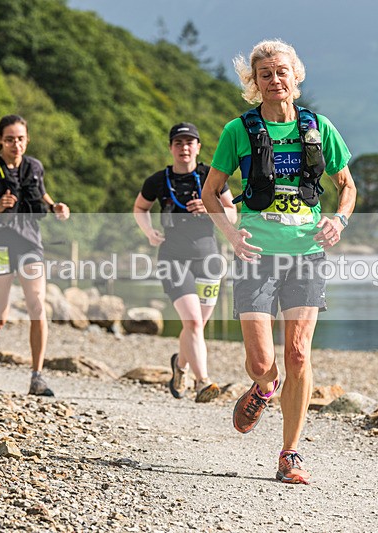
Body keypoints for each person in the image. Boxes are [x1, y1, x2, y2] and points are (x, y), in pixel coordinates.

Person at [202, 40, 357, 484]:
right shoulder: (238, 131)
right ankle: (264, 386)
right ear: (254, 82)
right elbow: (211, 192)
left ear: (296, 76)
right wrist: (232, 234)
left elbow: (347, 186)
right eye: (265, 74)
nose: (274, 80)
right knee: (259, 361)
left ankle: (290, 453)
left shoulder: (319, 128)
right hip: (256, 255)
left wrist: (339, 220)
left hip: (306, 254)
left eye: (281, 72)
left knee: (298, 354)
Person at [0, 114, 70, 396]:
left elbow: (41, 193)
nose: (16, 145)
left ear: (27, 139)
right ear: (0, 140)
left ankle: (37, 377)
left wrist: (55, 206)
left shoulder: (35, 167)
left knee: (37, 306)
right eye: (9, 139)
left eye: (20, 139)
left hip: (30, 244)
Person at [133, 122, 237, 403]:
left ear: (198, 147)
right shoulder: (157, 180)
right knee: (192, 321)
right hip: (173, 260)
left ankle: (179, 365)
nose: (184, 148)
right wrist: (149, 231)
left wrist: (210, 207)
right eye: (178, 143)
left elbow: (232, 212)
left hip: (209, 260)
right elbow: (140, 207)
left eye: (189, 142)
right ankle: (203, 381)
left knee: (196, 326)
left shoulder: (211, 176)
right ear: (171, 148)